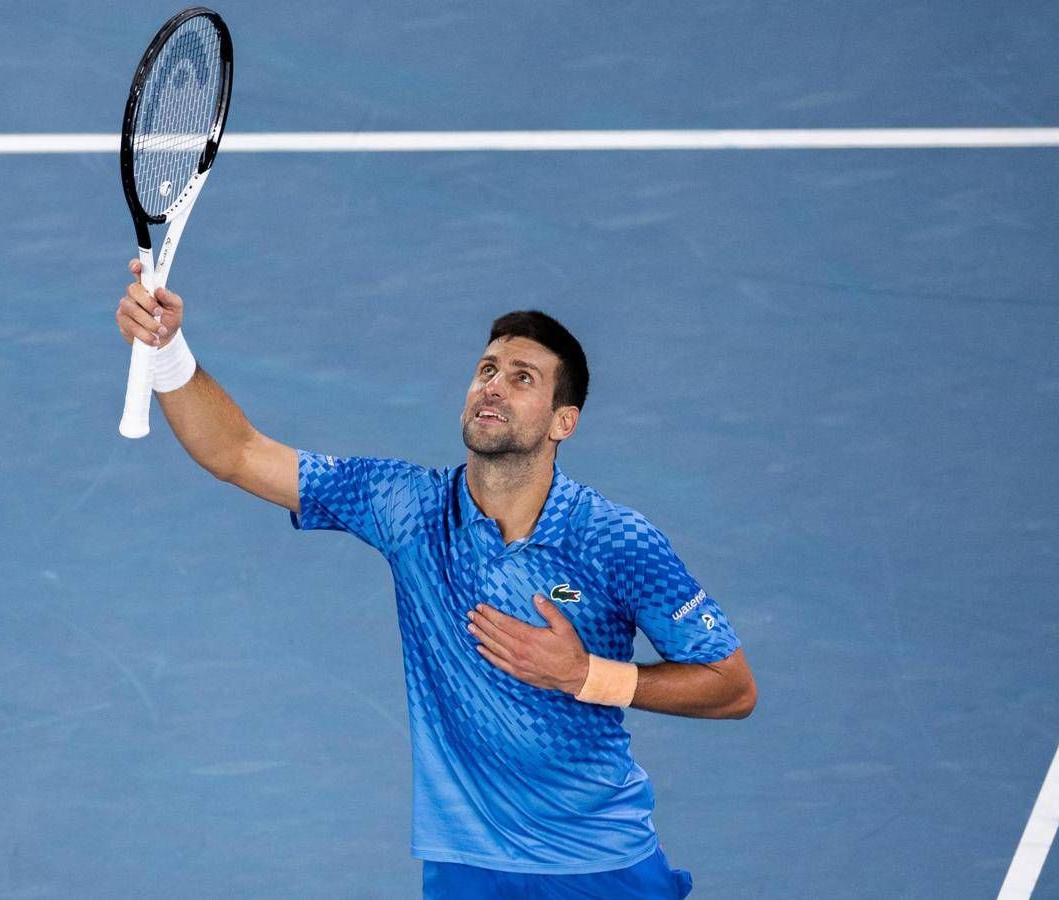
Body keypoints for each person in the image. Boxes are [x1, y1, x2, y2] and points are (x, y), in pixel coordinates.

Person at [116, 262, 756, 899]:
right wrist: (168, 350)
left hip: (599, 864)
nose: (493, 387)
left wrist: (585, 675)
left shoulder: (616, 541)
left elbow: (732, 687)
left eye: (522, 378)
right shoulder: (407, 507)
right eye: (487, 370)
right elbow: (238, 453)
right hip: (465, 867)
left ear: (563, 421)